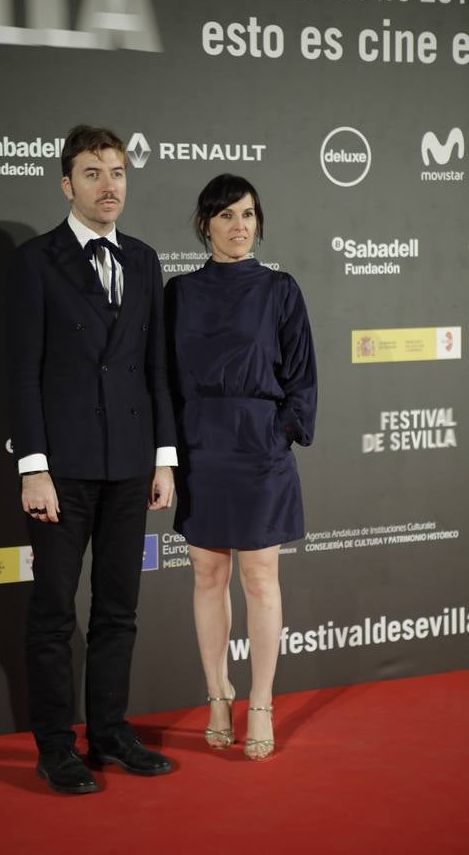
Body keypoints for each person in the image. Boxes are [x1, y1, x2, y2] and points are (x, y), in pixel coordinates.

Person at [7, 125, 177, 794]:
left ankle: (108, 731)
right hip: (63, 469)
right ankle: (56, 746)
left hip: (131, 464)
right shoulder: (34, 261)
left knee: (119, 609)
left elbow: (154, 368)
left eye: (118, 172)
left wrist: (164, 458)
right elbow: (21, 374)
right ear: (66, 184)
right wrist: (33, 466)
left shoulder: (143, 259)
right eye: (93, 173)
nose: (110, 186)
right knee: (54, 612)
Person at [164, 174, 317, 761]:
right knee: (207, 576)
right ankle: (216, 695)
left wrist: (280, 433)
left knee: (260, 578)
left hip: (259, 448)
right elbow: (166, 382)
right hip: (201, 446)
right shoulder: (178, 293)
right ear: (205, 224)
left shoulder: (280, 290)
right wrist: (171, 452)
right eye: (227, 215)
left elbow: (302, 377)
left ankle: (260, 703)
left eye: (249, 214)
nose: (239, 226)